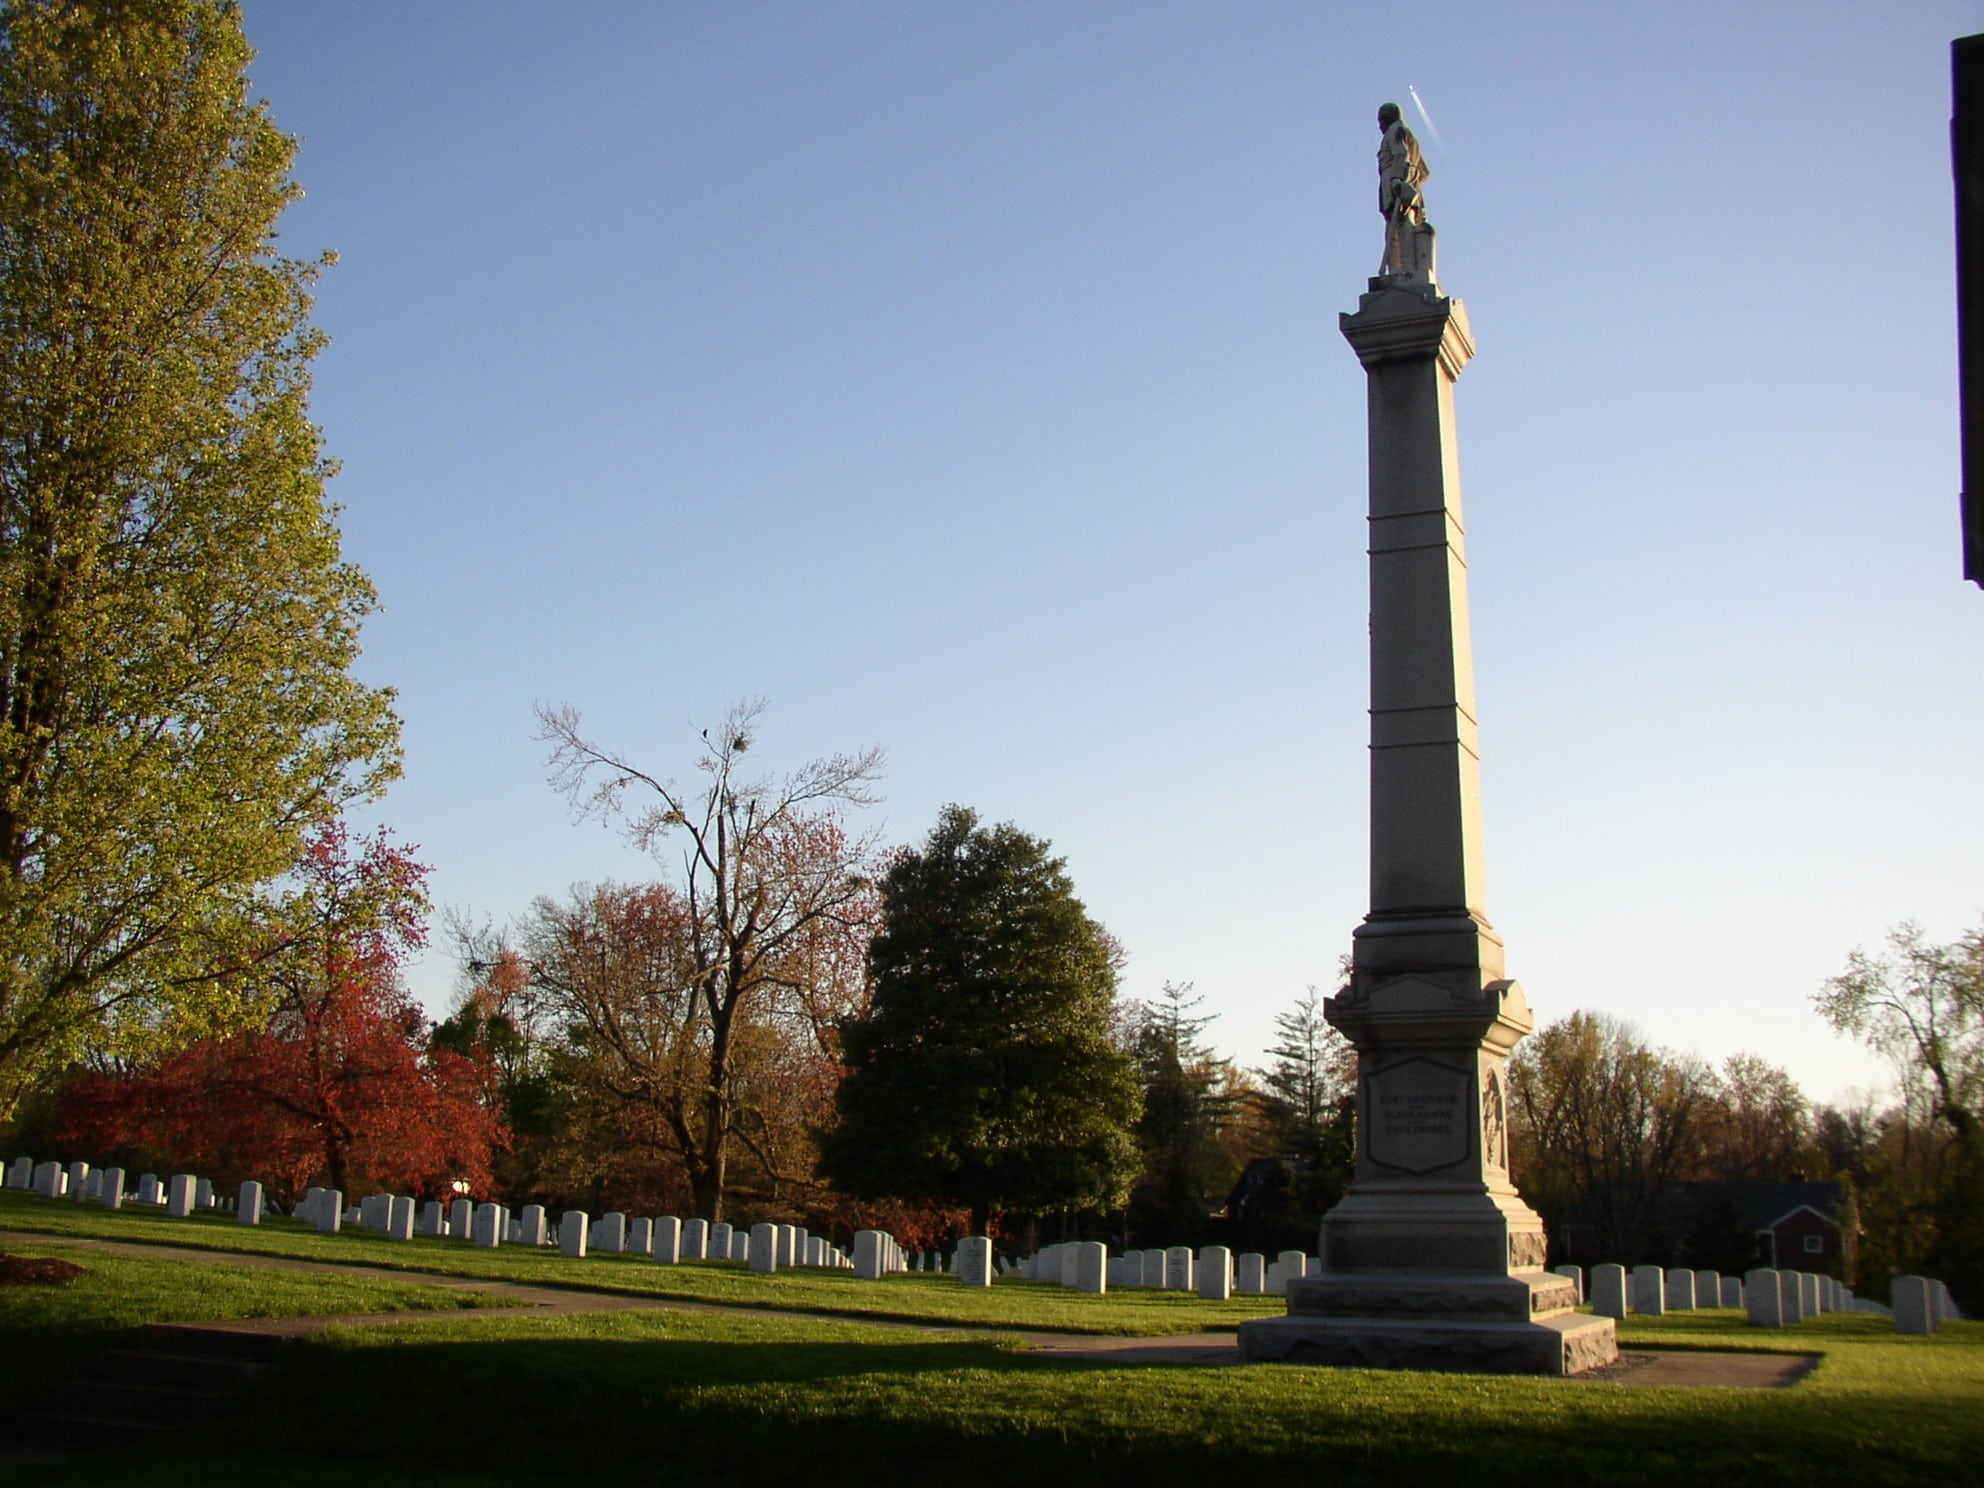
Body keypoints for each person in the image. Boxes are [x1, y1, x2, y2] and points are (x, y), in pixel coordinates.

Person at [1376, 101, 1429, 276]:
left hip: (1395, 183)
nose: (1379, 126)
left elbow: (1401, 154)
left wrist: (1397, 180)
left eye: (1380, 121)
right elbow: (1423, 171)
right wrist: (1412, 180)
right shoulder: (1409, 134)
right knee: (1400, 224)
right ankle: (1400, 267)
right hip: (1405, 183)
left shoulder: (1395, 131)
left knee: (1401, 224)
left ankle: (1402, 267)